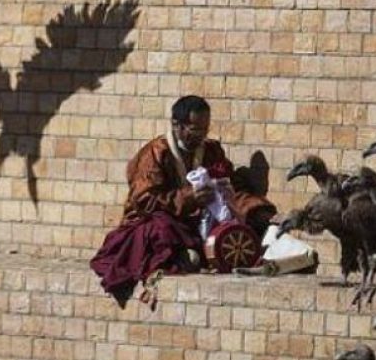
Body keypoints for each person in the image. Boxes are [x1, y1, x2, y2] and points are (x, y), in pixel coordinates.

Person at [90, 95, 276, 308]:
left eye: (204, 130)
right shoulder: (154, 154)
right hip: (163, 219)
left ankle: (197, 253)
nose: (201, 136)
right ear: (176, 125)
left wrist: (260, 212)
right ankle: (181, 256)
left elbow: (232, 189)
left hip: (201, 223)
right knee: (159, 228)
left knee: (240, 227)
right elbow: (144, 200)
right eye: (195, 130)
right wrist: (188, 198)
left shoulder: (212, 151)